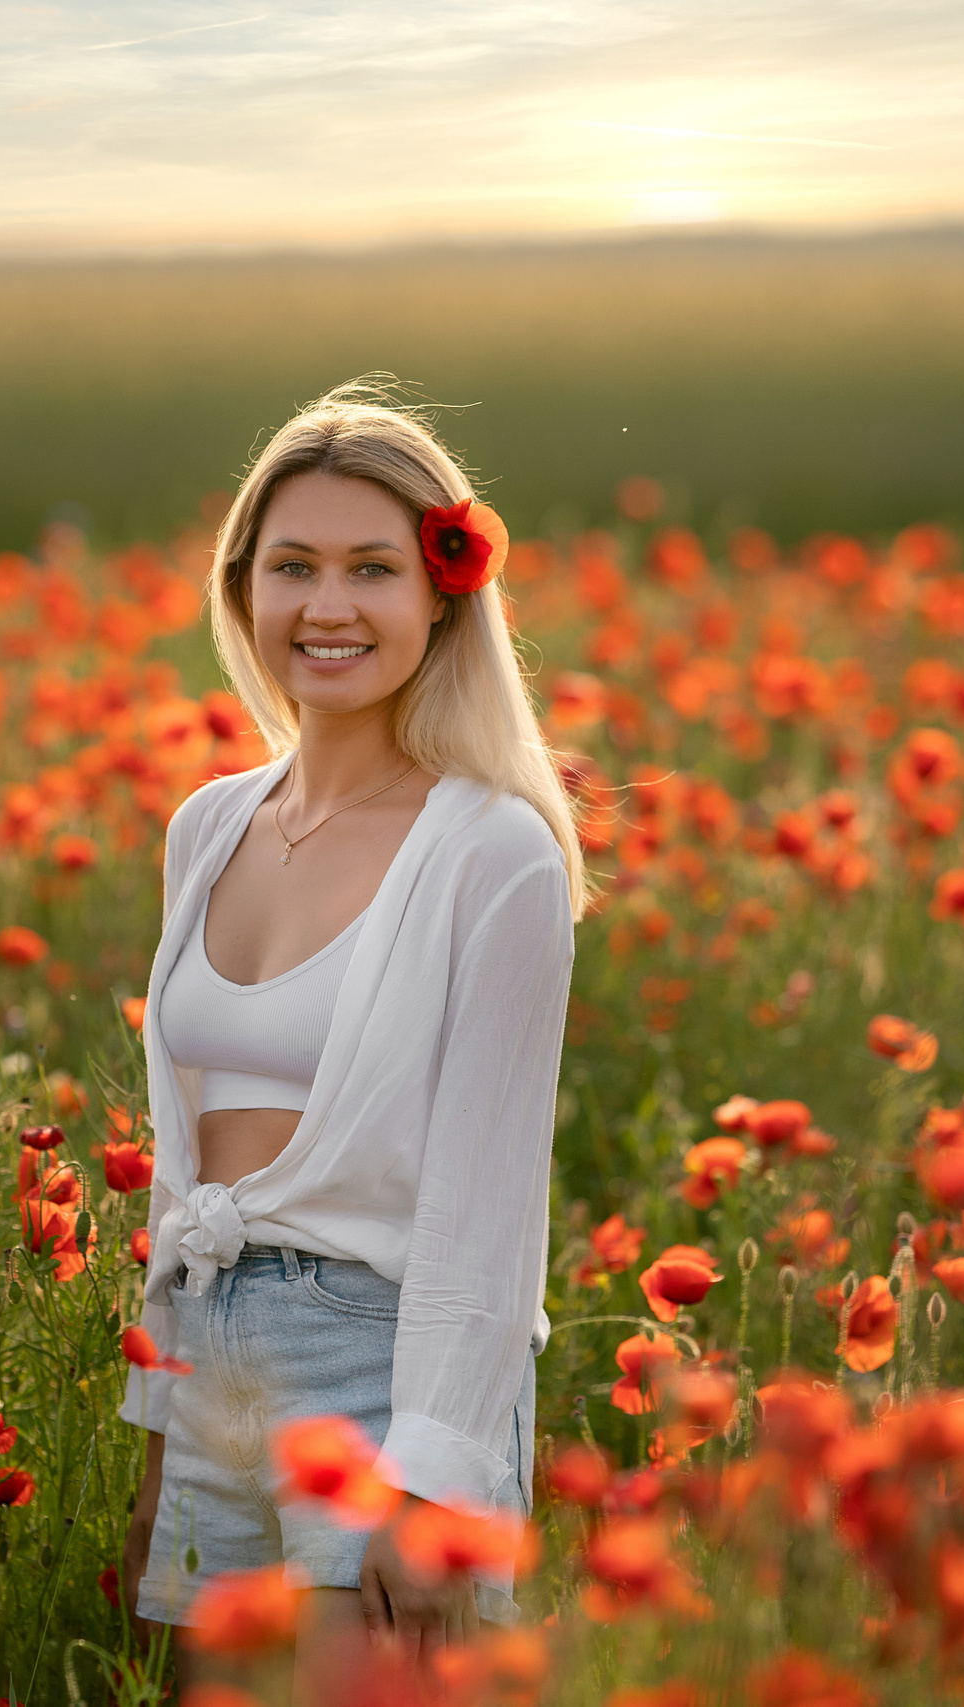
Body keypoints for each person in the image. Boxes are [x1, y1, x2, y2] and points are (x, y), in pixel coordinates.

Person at [118, 382, 588, 1699]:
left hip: (380, 1371)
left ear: (444, 594)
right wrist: (162, 1412)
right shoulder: (207, 827)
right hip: (211, 1358)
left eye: (373, 567)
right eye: (295, 567)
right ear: (243, 591)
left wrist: (431, 1471)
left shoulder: (492, 850)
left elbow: (488, 1207)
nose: (330, 606)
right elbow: (184, 1165)